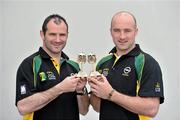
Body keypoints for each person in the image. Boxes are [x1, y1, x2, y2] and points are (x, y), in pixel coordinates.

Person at [88, 11, 164, 120]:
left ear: (136, 32)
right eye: (117, 30)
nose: (122, 36)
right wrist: (94, 90)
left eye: (127, 31)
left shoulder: (146, 62)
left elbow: (152, 109)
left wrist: (110, 94)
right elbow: (98, 108)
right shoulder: (103, 63)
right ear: (110, 32)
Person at [15, 14, 89, 120]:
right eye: (52, 34)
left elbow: (84, 110)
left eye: (62, 35)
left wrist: (80, 90)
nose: (58, 40)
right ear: (42, 34)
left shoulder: (73, 66)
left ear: (67, 35)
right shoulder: (30, 64)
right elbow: (23, 107)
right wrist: (60, 88)